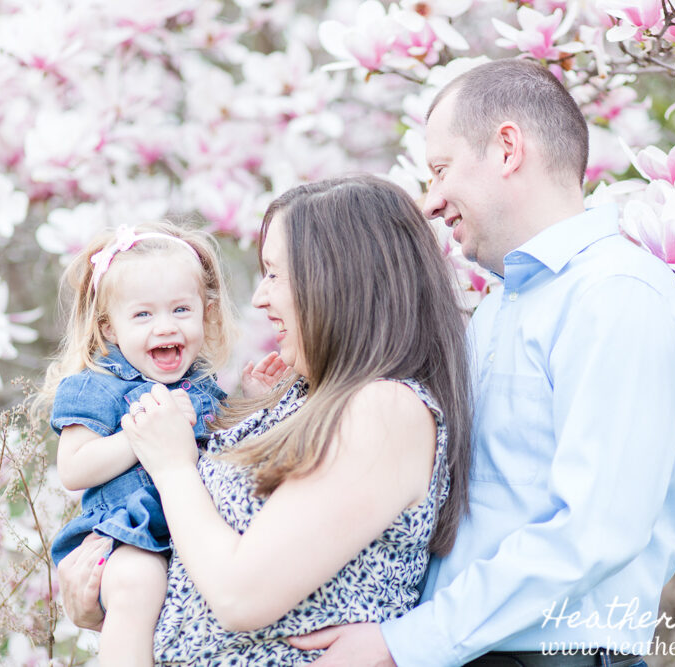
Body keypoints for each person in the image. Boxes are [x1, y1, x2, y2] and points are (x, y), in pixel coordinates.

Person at [292, 59, 675, 666]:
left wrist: (403, 644)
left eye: (440, 169)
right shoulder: (501, 308)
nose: (431, 201)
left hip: (548, 651)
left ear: (507, 148)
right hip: (466, 644)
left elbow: (594, 530)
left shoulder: (618, 296)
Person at [56, 175, 475, 665]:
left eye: (275, 275)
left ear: (340, 280)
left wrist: (173, 467)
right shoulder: (305, 395)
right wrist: (104, 592)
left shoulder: (385, 409)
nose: (258, 299)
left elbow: (239, 595)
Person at [40, 221, 247, 666]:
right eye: (143, 315)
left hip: (190, 532)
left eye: (181, 310)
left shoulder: (203, 387)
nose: (165, 326)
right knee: (137, 583)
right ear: (109, 329)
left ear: (205, 313)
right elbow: (74, 468)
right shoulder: (96, 386)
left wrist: (250, 396)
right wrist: (145, 437)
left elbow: (227, 443)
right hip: (124, 537)